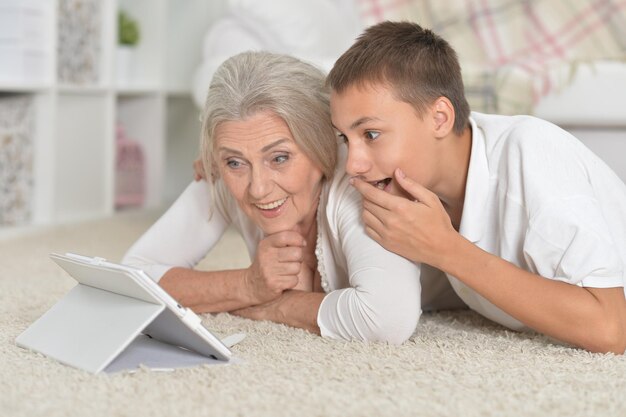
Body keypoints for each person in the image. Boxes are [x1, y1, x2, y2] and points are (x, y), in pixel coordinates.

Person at [327, 21, 626, 353]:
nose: (353, 164)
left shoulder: (530, 152)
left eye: (370, 134)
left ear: (439, 118)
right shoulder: (416, 192)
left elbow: (611, 328)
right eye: (345, 137)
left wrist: (446, 249)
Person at [123, 51, 462, 344]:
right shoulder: (229, 165)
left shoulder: (360, 183)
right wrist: (246, 285)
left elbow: (387, 319)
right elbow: (128, 279)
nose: (257, 188)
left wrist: (276, 305)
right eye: (235, 162)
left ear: (323, 143)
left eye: (280, 158)